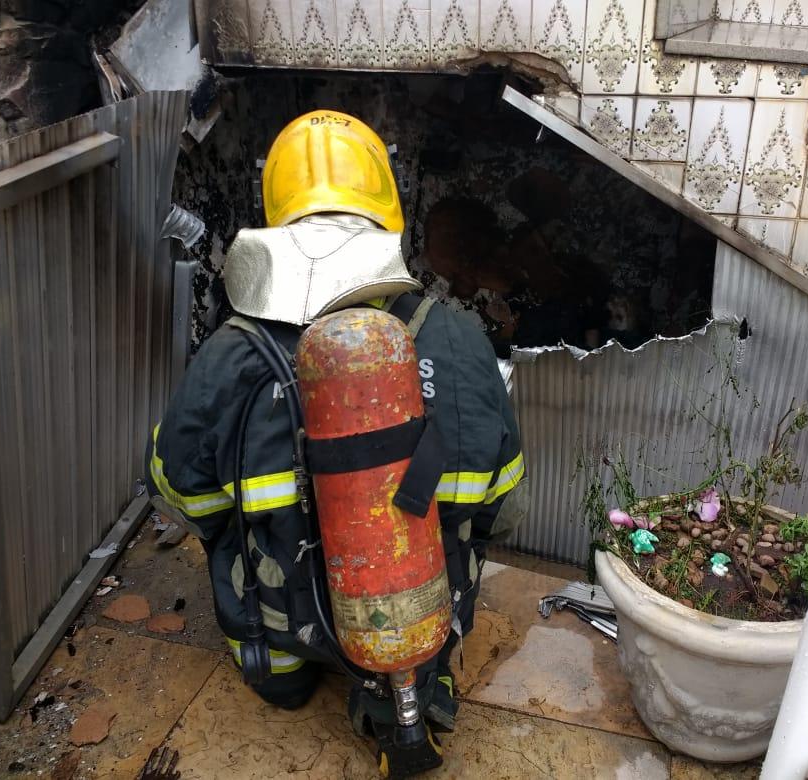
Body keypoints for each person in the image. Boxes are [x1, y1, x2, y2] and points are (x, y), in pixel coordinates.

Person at [146, 110, 527, 776]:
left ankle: (288, 670)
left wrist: (242, 526)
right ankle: (415, 681)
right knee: (426, 626)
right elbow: (501, 497)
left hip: (276, 620)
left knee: (276, 672)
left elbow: (182, 493)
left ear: (274, 215)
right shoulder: (461, 339)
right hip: (413, 608)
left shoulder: (230, 353)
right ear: (388, 212)